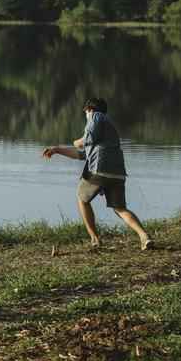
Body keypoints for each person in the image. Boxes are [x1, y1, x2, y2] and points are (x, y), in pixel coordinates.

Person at [42, 97, 153, 250]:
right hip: (117, 173)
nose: (86, 116)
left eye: (85, 113)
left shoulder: (96, 116)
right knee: (120, 208)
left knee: (82, 199)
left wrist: (78, 141)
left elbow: (87, 139)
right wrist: (57, 150)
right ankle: (144, 236)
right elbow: (83, 155)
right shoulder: (108, 130)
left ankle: (95, 239)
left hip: (99, 169)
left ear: (89, 109)